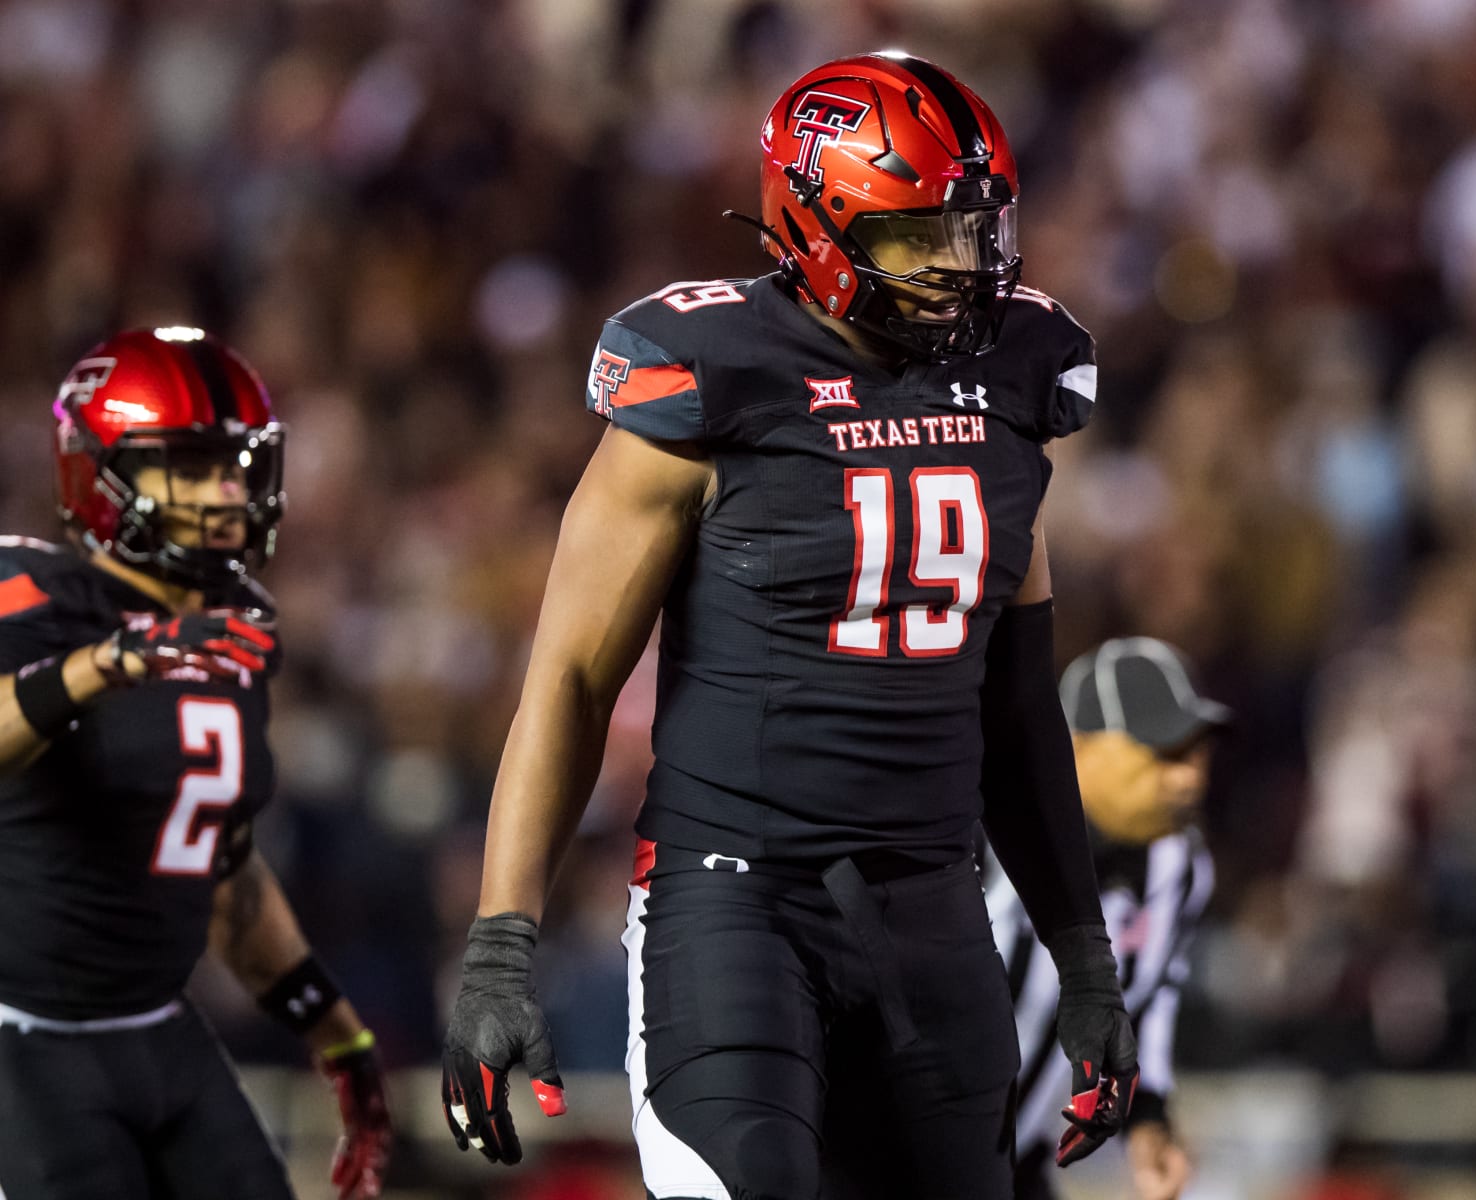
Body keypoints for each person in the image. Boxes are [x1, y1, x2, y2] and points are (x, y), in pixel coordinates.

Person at [440, 51, 1135, 1200]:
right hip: (737, 901)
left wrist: (1085, 960)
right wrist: (504, 938)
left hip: (933, 910)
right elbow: (568, 677)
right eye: (918, 240)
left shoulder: (1015, 382)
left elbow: (1017, 706)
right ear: (813, 224)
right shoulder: (710, 376)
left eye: (973, 232)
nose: (959, 270)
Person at [0, 328, 391, 1199]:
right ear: (100, 475)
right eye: (189, 467)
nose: (225, 494)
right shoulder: (35, 598)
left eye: (234, 466)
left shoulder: (234, 638)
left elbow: (224, 870)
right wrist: (111, 662)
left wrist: (340, 1038)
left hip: (158, 1030)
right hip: (25, 1036)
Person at [988, 637, 1230, 1200]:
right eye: (1161, 751)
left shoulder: (1181, 868)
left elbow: (1149, 999)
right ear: (1077, 749)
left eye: (1194, 753)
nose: (1187, 779)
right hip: (897, 1152)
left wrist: (1148, 1122)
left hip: (1019, 1162)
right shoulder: (981, 835)